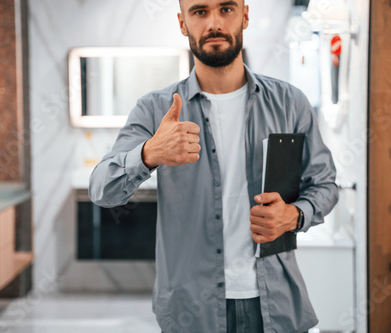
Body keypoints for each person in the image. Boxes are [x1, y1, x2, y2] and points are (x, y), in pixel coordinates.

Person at [89, 0, 338, 332]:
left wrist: (294, 215)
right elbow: (101, 189)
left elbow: (325, 185)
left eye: (226, 9)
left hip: (276, 305)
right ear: (182, 23)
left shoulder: (289, 102)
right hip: (191, 310)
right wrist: (149, 153)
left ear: (245, 16)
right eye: (200, 12)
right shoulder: (155, 109)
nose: (214, 23)